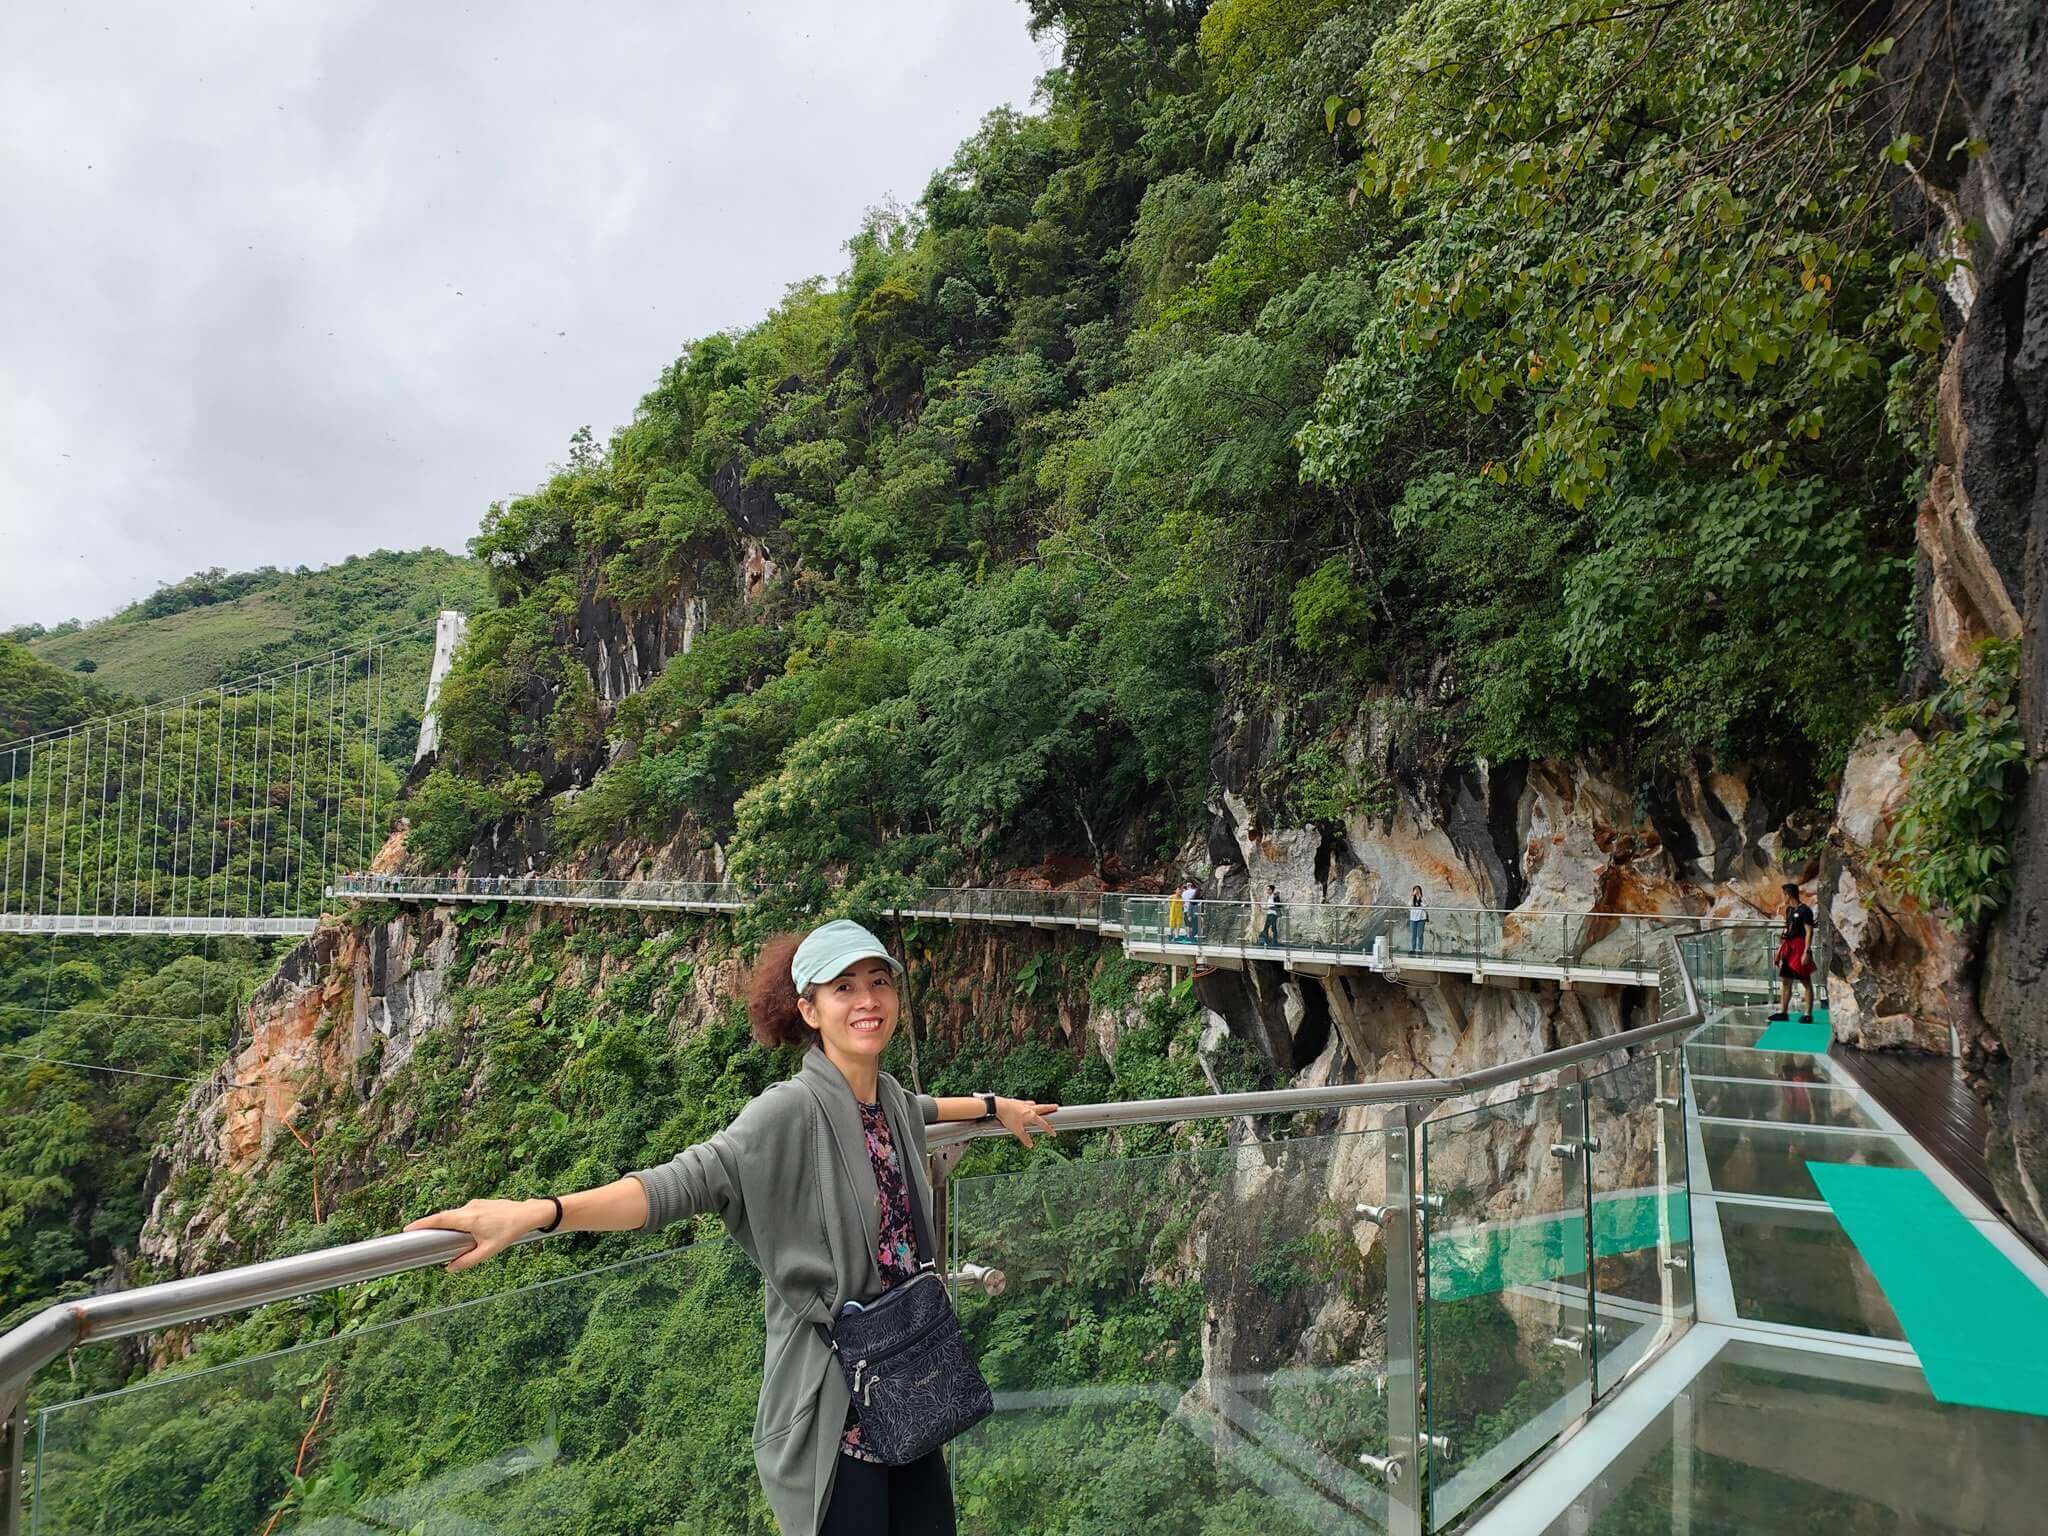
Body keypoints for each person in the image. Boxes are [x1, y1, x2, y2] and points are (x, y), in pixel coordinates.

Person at [404, 919, 1059, 1536]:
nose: (867, 1000)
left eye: (878, 982)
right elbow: (675, 1185)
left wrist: (999, 1107)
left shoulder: (885, 1098)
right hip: (837, 1410)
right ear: (809, 1009)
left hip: (909, 1387)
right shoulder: (786, 1112)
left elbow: (926, 1108)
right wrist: (537, 1212)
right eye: (844, 988)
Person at [1770, 882, 1818, 1023]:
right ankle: (1783, 1012)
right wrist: (1780, 949)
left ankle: (1807, 1014)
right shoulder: (1789, 910)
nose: (1782, 898)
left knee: (1805, 981)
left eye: (1783, 895)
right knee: (1785, 980)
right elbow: (1787, 929)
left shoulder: (1805, 911)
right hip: (1789, 948)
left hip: (1800, 947)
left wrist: (1806, 952)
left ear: (1788, 895)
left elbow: (1809, 932)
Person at [1408, 886, 1427, 956]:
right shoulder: (1412, 898)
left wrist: (1420, 897)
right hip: (1413, 918)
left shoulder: (1423, 898)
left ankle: (1420, 949)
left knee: (1420, 934)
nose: (1417, 891)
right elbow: (1409, 905)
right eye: (1415, 890)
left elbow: (1425, 905)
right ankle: (1412, 949)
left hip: (1421, 918)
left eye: (1418, 890)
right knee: (1413, 934)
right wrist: (1413, 895)